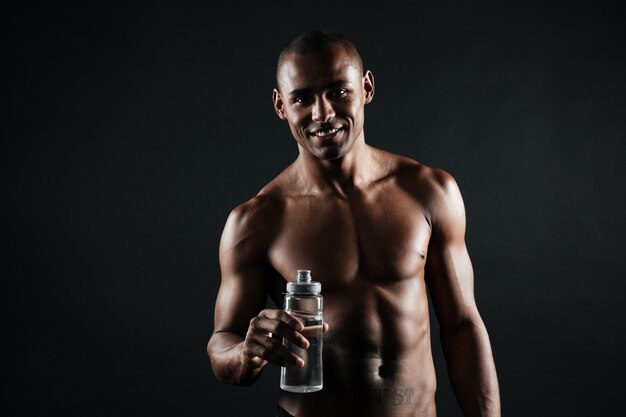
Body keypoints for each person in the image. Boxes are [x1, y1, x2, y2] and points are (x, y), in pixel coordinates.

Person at [207, 30, 500, 417]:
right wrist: (245, 353)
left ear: (367, 87)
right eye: (302, 98)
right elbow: (221, 343)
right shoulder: (256, 221)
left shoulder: (428, 191)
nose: (323, 113)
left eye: (338, 91)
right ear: (281, 106)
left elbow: (463, 326)